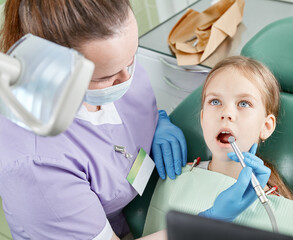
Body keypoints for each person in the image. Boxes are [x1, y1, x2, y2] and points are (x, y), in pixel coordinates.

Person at [0, 1, 186, 239]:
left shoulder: (116, 62)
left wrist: (158, 120)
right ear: (53, 70)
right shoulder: (37, 166)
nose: (127, 77)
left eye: (131, 58)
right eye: (107, 77)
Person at [142, 56, 293, 236]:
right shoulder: (176, 178)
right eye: (215, 101)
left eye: (244, 103)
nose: (226, 113)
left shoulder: (278, 217)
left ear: (266, 127)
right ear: (203, 119)